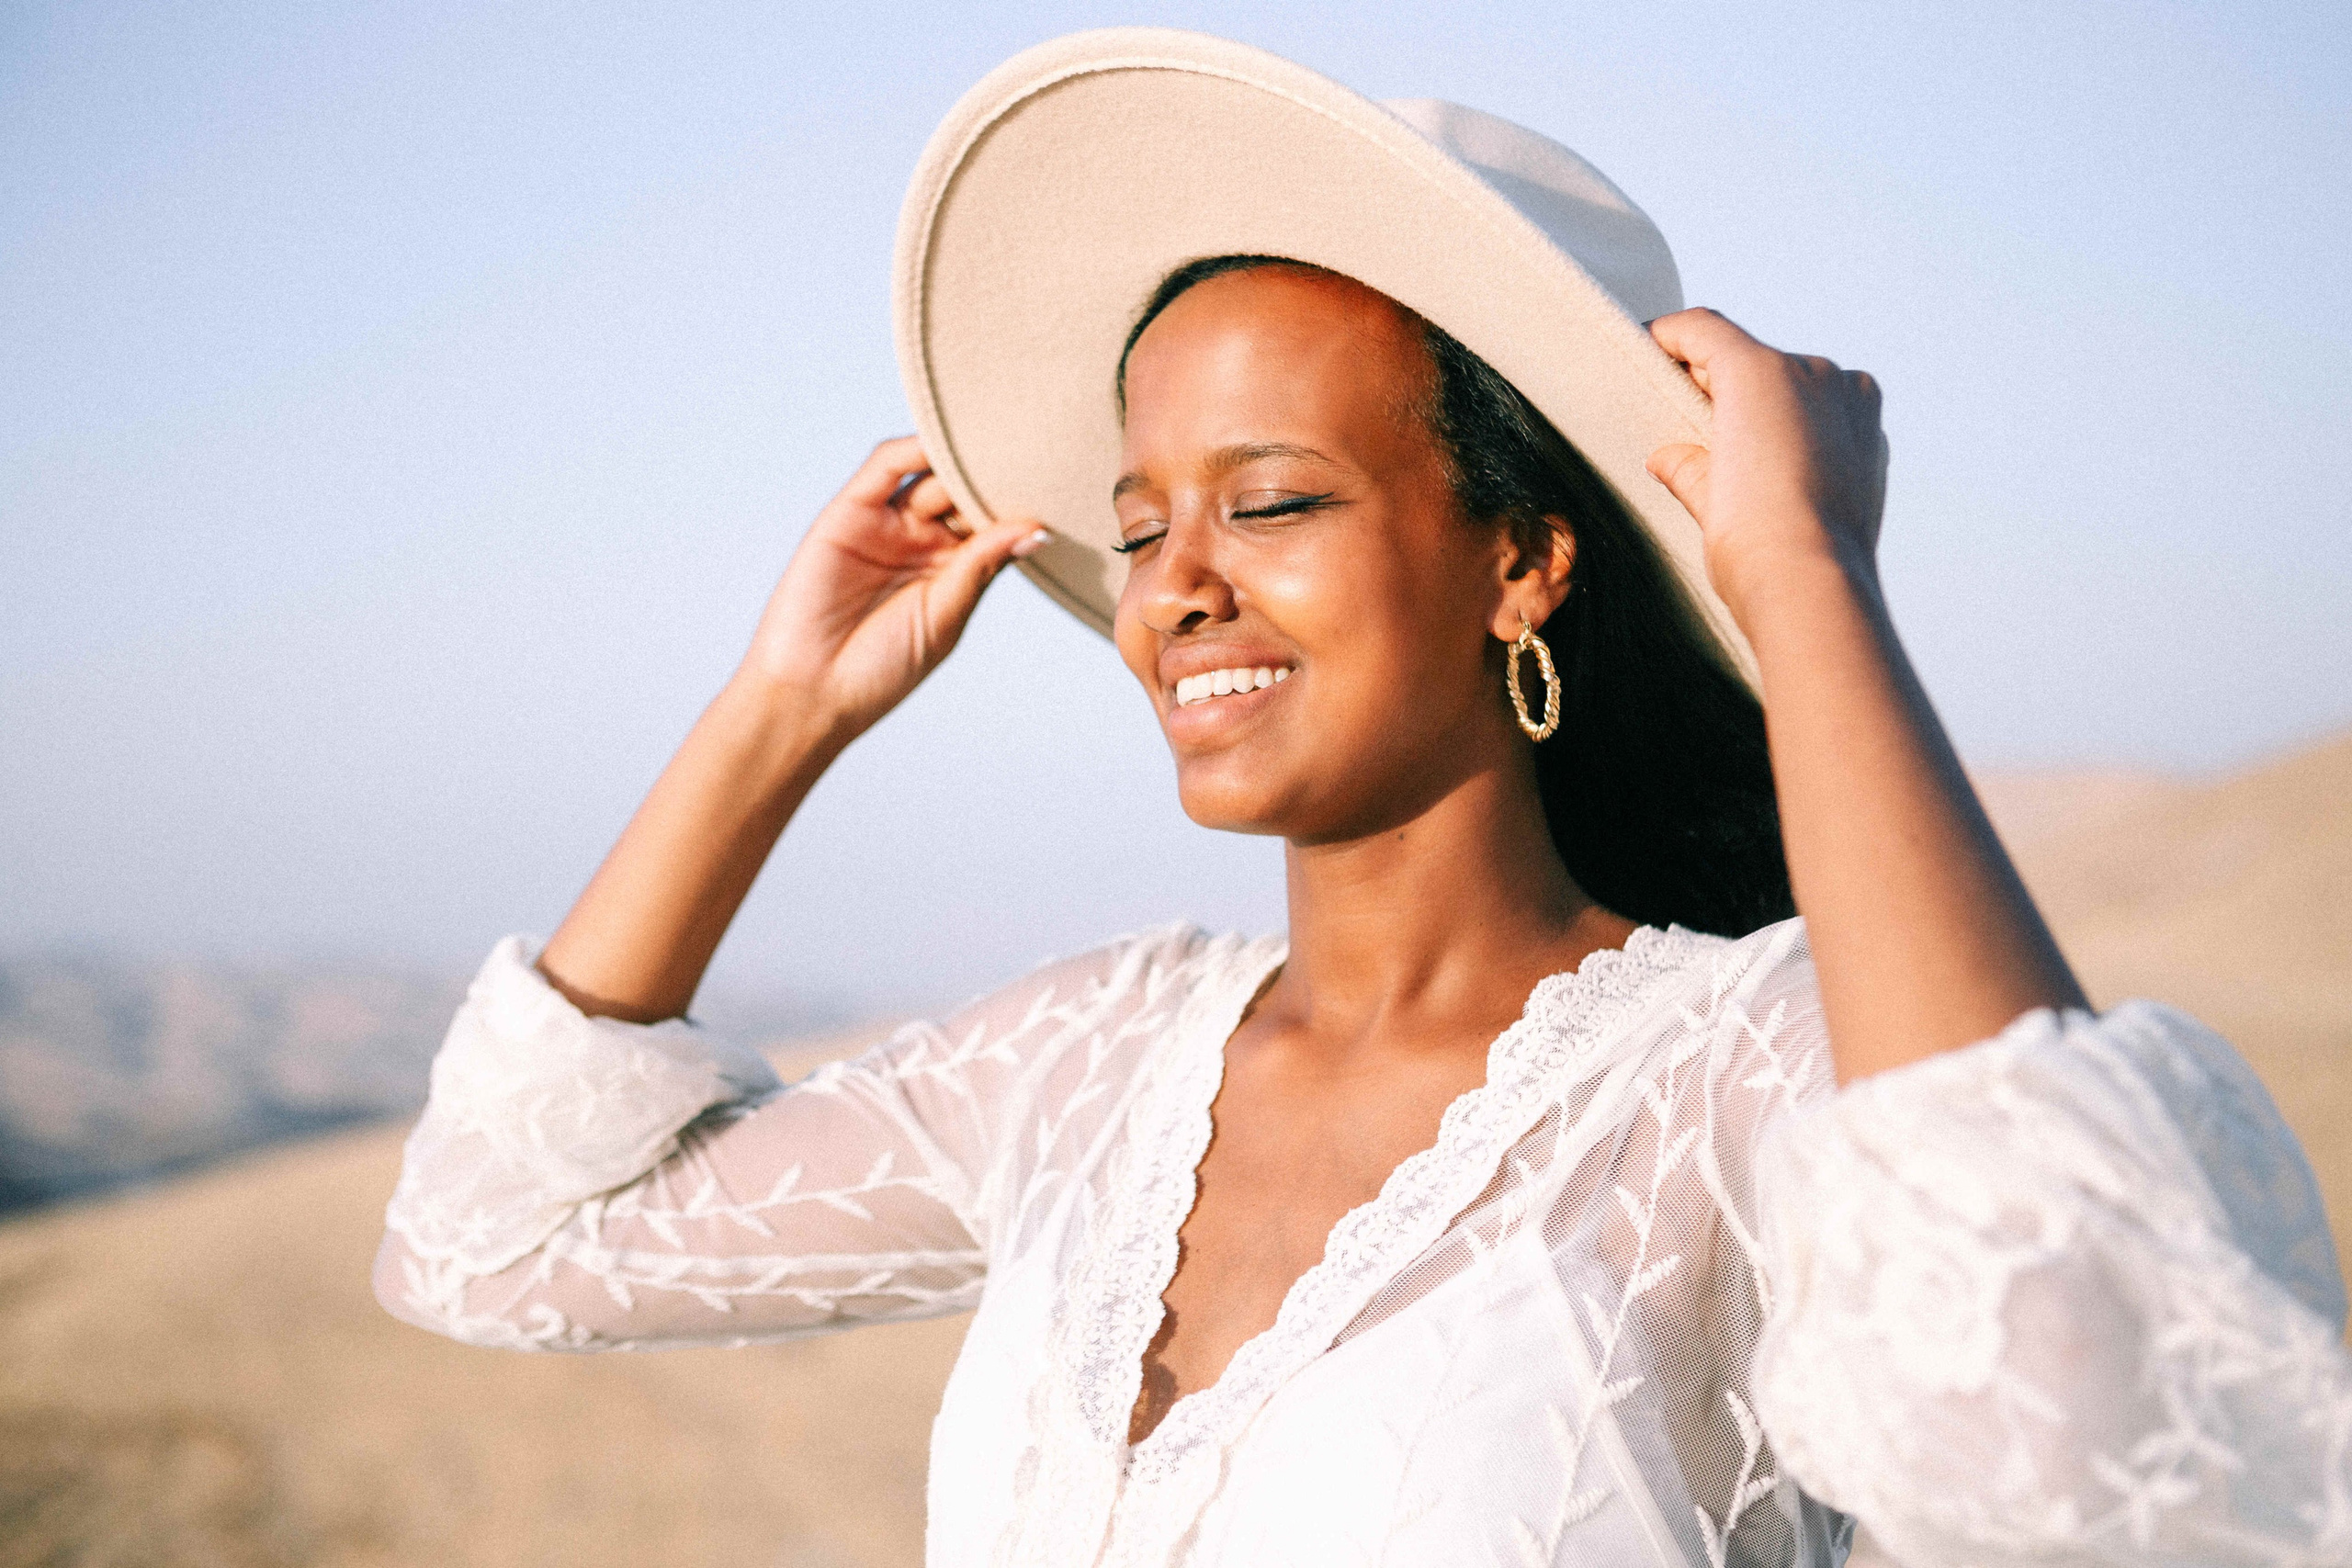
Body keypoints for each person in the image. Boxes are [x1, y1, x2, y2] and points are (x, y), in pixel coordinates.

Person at [374, 29, 2351, 1568]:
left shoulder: (1730, 1071)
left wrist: (1802, 576)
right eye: (1141, 521)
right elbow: (494, 1240)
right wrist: (776, 710)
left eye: (1276, 497)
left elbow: (2110, 1442)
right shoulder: (1086, 1061)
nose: (1174, 583)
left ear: (1522, 558)